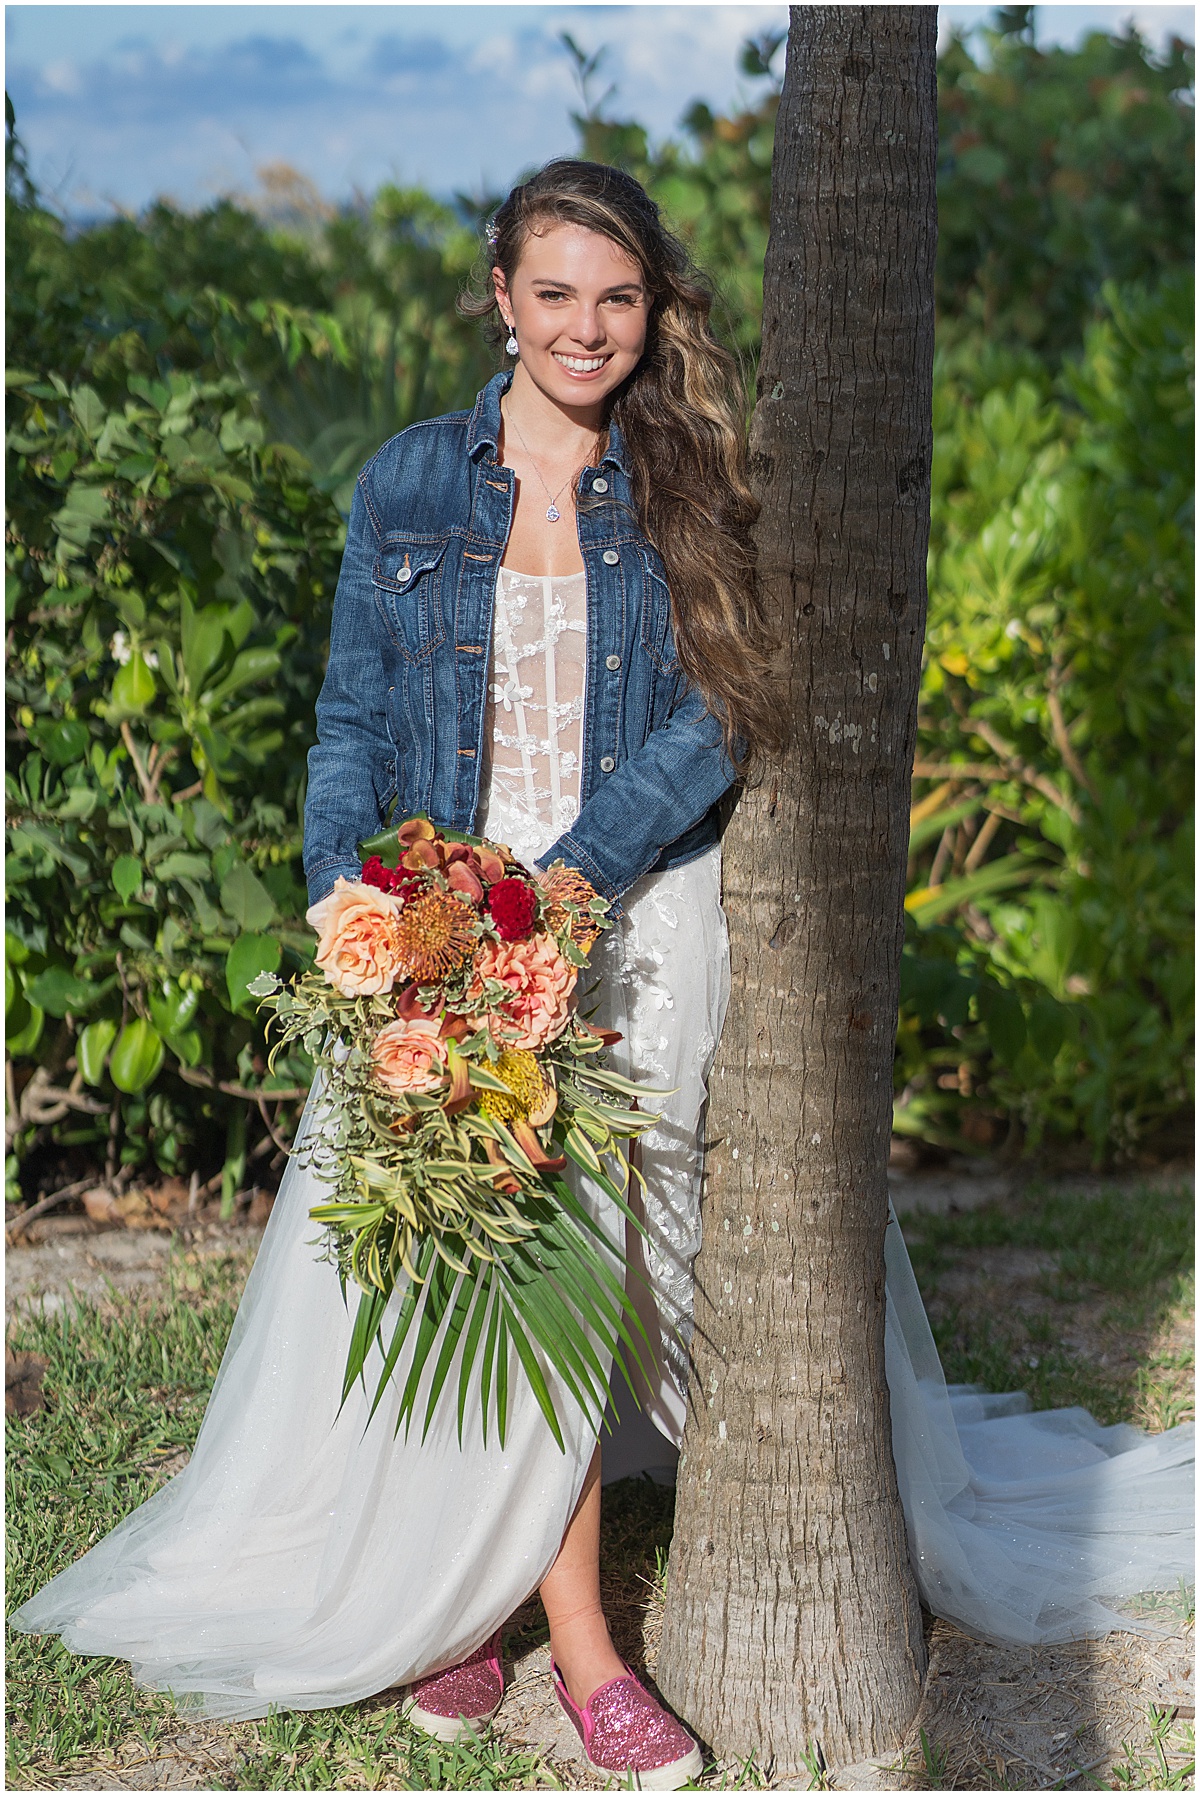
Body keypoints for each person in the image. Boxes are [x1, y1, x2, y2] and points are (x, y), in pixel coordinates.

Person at [11, 160, 1193, 1786]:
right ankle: (508, 1619)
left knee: (568, 1238)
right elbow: (350, 727)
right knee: (452, 1248)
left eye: (618, 296)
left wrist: (567, 885)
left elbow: (718, 714)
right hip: (445, 908)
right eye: (554, 292)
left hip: (624, 901)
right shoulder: (408, 484)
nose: (586, 326)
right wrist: (367, 918)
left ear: (654, 308)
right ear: (500, 297)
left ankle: (540, 1627)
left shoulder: (689, 475)